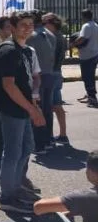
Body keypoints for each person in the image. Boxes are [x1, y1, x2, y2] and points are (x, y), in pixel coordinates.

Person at [0, 11, 46, 214]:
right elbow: (9, 85)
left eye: (30, 24)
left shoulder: (24, 50)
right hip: (11, 109)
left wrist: (34, 105)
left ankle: (15, 187)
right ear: (12, 28)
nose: (28, 28)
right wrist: (31, 109)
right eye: (23, 24)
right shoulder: (9, 50)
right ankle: (7, 196)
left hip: (22, 108)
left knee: (26, 147)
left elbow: (30, 81)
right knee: (13, 152)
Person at [27, 10, 57, 154]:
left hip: (38, 76)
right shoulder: (50, 34)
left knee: (36, 110)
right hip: (49, 74)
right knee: (47, 109)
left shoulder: (31, 36)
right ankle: (48, 140)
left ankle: (39, 144)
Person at [43, 13, 70, 146]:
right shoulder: (60, 36)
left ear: (51, 22)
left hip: (51, 72)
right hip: (56, 72)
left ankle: (50, 135)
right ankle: (63, 134)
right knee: (57, 104)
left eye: (44, 21)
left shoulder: (52, 37)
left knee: (49, 106)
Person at [73, 9, 98, 107]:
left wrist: (72, 44)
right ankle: (90, 95)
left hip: (87, 56)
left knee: (87, 77)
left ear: (83, 16)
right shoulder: (95, 25)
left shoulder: (86, 26)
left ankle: (92, 98)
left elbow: (82, 38)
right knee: (90, 76)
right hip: (94, 54)